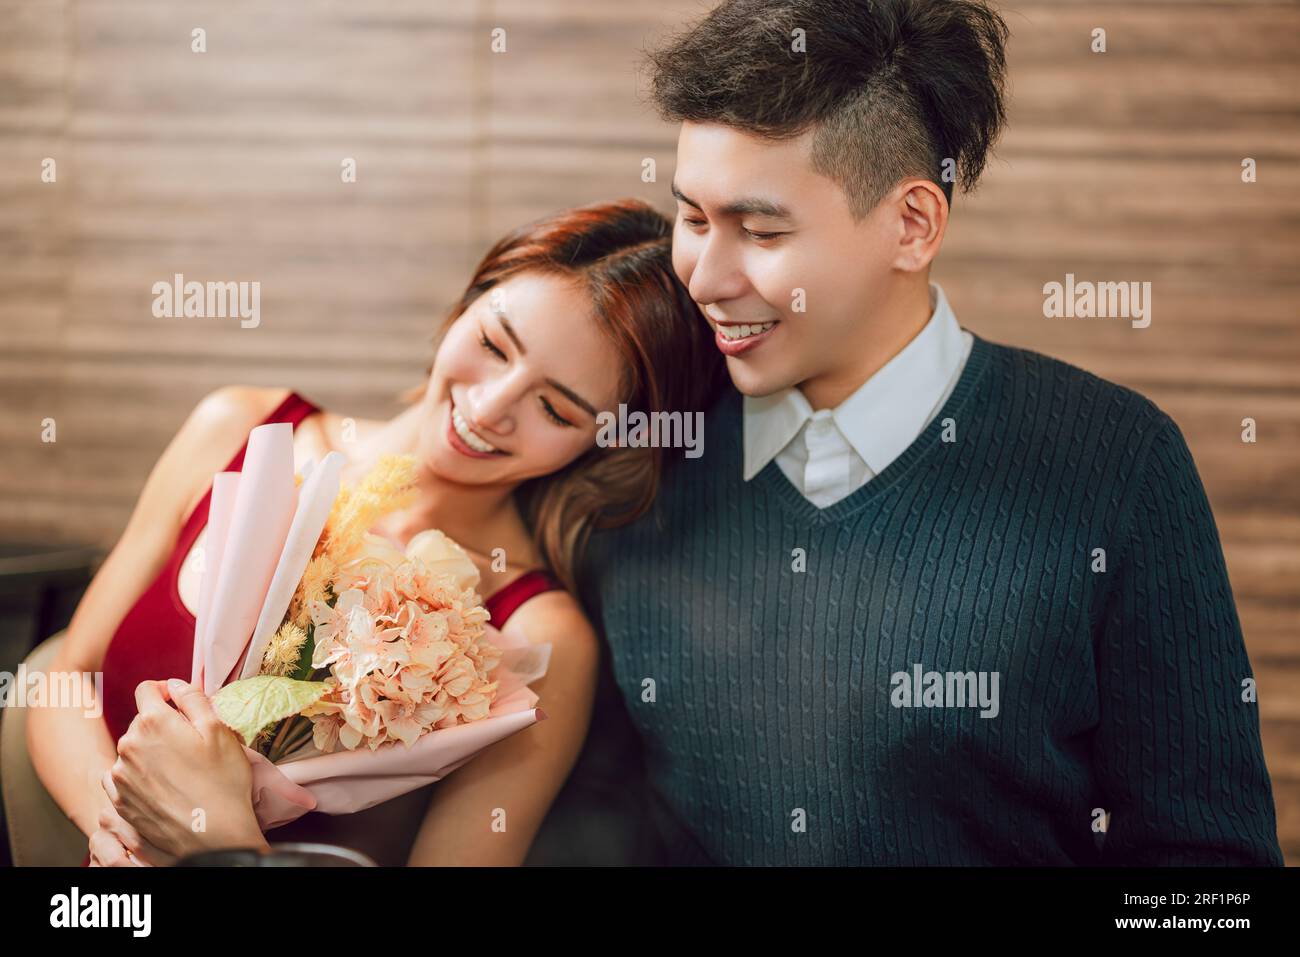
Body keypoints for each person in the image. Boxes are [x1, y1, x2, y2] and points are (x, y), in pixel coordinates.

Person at [578, 0, 1285, 865]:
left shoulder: (1116, 463)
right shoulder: (646, 447)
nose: (706, 277)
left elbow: (1212, 881)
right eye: (691, 219)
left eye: (760, 231)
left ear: (912, 225)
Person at [25, 199, 727, 866]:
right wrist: (123, 833)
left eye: (556, 408)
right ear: (466, 303)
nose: (489, 407)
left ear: (607, 443)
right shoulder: (241, 427)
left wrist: (227, 844)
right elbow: (65, 679)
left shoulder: (542, 637)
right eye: (492, 343)